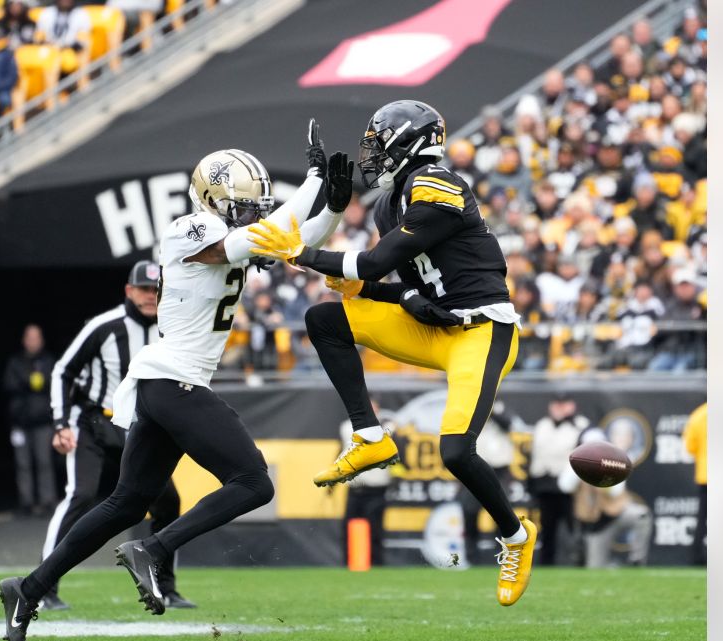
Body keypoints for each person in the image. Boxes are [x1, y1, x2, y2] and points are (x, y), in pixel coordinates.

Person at [0, 121, 350, 641]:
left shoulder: (232, 234)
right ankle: (155, 549)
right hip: (172, 380)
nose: (252, 210)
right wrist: (313, 180)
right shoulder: (187, 229)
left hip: (169, 384)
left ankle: (28, 589)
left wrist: (334, 204)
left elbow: (291, 242)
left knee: (125, 502)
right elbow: (265, 234)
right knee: (253, 482)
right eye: (243, 201)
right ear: (213, 198)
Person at [247, 100, 537, 607]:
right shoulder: (388, 204)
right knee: (325, 318)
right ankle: (370, 436)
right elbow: (395, 283)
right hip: (434, 326)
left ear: (409, 141)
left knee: (455, 453)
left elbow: (376, 262)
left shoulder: (437, 184)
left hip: (482, 330)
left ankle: (515, 537)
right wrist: (384, 292)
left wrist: (301, 254)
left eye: (379, 142)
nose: (372, 154)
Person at [42, 260, 192, 612]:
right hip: (94, 423)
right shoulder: (105, 326)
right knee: (80, 497)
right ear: (128, 290)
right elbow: (63, 370)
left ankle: (166, 587)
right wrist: (61, 423)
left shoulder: (171, 329)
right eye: (142, 289)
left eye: (155, 290)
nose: (149, 297)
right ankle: (44, 585)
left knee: (168, 502)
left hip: (138, 428)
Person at [562, 428, 652, 567]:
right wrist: (581, 466)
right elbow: (564, 486)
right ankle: (611, 565)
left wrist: (602, 473)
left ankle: (637, 559)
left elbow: (616, 491)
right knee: (596, 567)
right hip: (596, 527)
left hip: (617, 515)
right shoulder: (575, 464)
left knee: (641, 515)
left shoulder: (612, 462)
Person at [528, 392, 589, 566]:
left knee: (574, 525)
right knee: (547, 527)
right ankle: (547, 563)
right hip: (544, 484)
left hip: (569, 485)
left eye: (564, 404)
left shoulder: (581, 425)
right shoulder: (542, 425)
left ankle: (578, 561)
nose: (559, 408)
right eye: (556, 404)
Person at [3, 324, 57, 515]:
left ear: (41, 340)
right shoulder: (16, 362)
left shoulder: (49, 361)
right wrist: (28, 382)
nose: (33, 341)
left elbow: (57, 383)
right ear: (24, 340)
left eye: (36, 337)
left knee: (44, 462)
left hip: (42, 421)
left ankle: (47, 501)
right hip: (21, 422)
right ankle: (26, 502)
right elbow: (9, 384)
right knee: (23, 464)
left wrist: (43, 382)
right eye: (30, 337)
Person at [338, 402, 392, 567]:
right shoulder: (348, 427)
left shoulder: (385, 428)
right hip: (355, 488)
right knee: (349, 527)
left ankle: (376, 563)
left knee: (375, 529)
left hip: (376, 489)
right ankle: (350, 563)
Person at [682, 401, 707, 566]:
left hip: (707, 474)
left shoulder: (699, 414)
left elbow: (690, 446)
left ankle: (696, 556)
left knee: (703, 518)